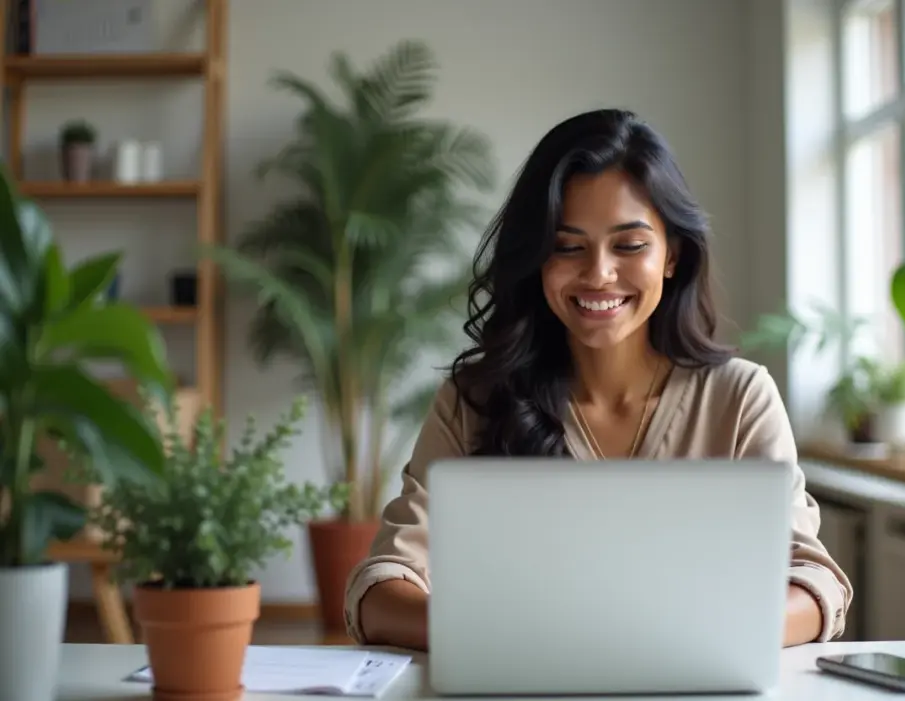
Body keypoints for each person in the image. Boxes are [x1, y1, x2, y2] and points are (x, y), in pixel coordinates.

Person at [344, 108, 853, 651]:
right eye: (567, 246)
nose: (598, 274)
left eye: (629, 245)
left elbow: (814, 582)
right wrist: (504, 641)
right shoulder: (474, 400)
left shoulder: (739, 398)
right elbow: (380, 588)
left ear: (672, 256)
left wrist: (690, 639)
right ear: (537, 258)